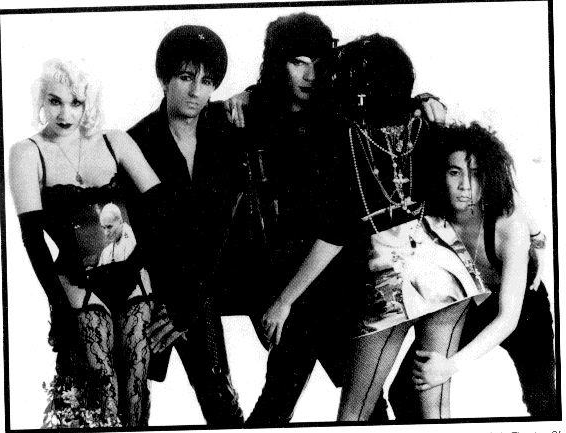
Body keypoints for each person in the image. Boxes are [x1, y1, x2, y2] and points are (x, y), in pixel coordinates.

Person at [254, 32, 495, 422]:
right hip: (449, 272)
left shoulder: (348, 141)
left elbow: (333, 234)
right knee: (435, 408)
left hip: (393, 277)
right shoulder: (431, 128)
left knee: (355, 412)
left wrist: (284, 300)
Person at [222, 13, 448, 426]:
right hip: (283, 278)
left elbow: (387, 98)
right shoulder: (253, 117)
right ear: (277, 64)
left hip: (336, 280)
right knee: (292, 396)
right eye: (298, 62)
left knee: (352, 400)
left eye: (318, 63)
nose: (311, 75)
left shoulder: (340, 110)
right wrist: (245, 95)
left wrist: (423, 100)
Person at [9, 58, 164, 427]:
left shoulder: (114, 141)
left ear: (88, 103)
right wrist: (58, 306)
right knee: (103, 393)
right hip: (78, 283)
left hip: (133, 275)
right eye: (55, 101)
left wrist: (144, 261)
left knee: (135, 388)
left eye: (76, 102)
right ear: (41, 100)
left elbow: (161, 207)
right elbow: (33, 240)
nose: (65, 114)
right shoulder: (27, 152)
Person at [385, 122, 557, 419]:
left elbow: (508, 319)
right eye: (455, 173)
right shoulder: (431, 209)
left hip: (524, 310)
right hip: (471, 303)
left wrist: (450, 367)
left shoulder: (508, 223)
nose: (465, 186)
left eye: (476, 174)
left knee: (543, 402)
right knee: (405, 391)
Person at [126, 25, 245, 427]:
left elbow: (221, 230)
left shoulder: (224, 134)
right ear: (164, 79)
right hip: (155, 290)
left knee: (220, 400)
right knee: (131, 399)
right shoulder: (137, 142)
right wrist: (170, 303)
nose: (196, 91)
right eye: (186, 77)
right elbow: (142, 237)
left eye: (206, 81)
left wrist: (186, 306)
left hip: (203, 288)